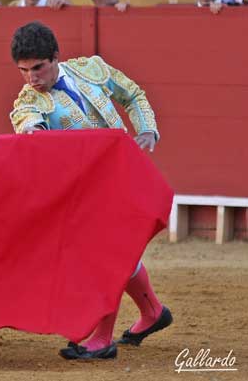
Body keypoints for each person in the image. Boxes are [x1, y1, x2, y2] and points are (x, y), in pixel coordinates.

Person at [9, 21, 172, 359]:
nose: (31, 78)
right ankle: (151, 313)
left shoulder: (91, 69)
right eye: (23, 70)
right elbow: (30, 130)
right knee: (113, 254)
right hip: (83, 191)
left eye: (38, 67)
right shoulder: (26, 103)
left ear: (56, 57)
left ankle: (104, 337)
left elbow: (133, 94)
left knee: (111, 254)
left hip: (122, 175)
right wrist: (36, 133)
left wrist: (147, 130)